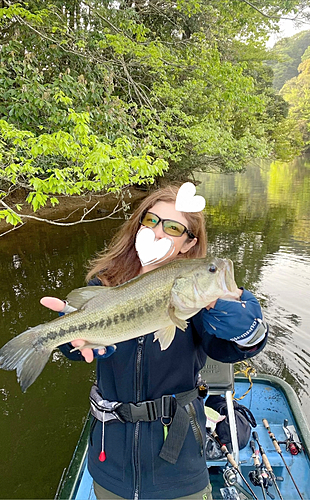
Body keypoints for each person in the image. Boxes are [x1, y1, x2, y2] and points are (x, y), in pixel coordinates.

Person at [41, 185, 268, 500]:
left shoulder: (200, 300)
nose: (158, 232)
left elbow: (230, 348)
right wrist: (70, 343)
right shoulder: (103, 284)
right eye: (151, 220)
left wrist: (247, 330)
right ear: (139, 224)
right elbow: (82, 347)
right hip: (111, 464)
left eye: (173, 227)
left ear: (189, 243)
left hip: (179, 468)